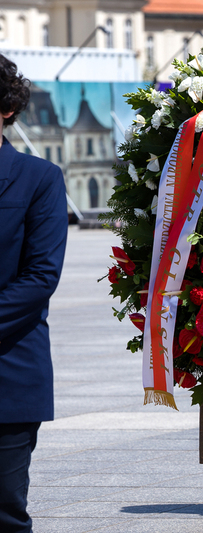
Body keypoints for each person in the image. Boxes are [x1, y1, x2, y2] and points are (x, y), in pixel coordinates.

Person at [0, 54, 68, 533]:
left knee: (5, 512)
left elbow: (41, 277)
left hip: (8, 374)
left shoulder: (38, 178)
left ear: (6, 108)